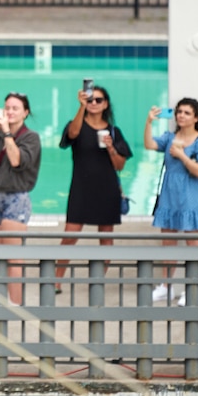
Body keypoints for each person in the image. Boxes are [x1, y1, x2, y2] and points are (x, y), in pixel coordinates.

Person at [54, 85, 132, 291]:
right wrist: (81, 107)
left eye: (98, 100)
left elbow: (120, 165)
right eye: (90, 100)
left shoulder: (114, 132)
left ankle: (97, 280)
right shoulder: (77, 124)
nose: (94, 103)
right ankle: (56, 279)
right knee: (70, 235)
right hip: (81, 187)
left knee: (106, 237)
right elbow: (71, 134)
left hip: (106, 189)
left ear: (106, 104)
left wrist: (111, 148)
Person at [0, 92, 42, 306]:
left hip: (16, 197)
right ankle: (4, 302)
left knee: (14, 255)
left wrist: (6, 132)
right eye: (7, 108)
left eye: (15, 108)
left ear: (25, 112)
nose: (10, 112)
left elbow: (16, 160)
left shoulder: (30, 137)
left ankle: (16, 303)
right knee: (1, 254)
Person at [144, 98, 198, 305]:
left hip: (189, 195)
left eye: (187, 113)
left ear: (196, 118)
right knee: (168, 243)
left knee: (192, 244)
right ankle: (166, 286)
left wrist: (182, 156)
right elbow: (149, 144)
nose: (181, 115)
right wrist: (149, 122)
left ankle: (193, 289)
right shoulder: (170, 137)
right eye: (179, 112)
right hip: (169, 195)